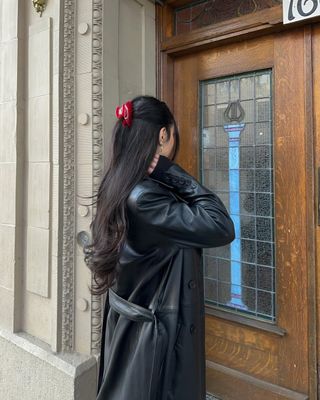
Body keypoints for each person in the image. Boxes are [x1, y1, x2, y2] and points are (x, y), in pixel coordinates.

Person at [84, 95, 235, 400]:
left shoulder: (119, 184)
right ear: (163, 135)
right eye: (172, 134)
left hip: (139, 332)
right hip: (159, 345)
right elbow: (221, 225)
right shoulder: (146, 198)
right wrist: (172, 172)